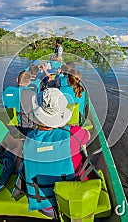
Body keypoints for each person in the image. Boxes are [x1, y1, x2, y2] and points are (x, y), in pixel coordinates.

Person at [20, 88, 90, 217]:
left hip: (42, 205)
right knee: (82, 152)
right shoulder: (73, 133)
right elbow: (88, 135)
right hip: (68, 202)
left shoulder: (28, 138)